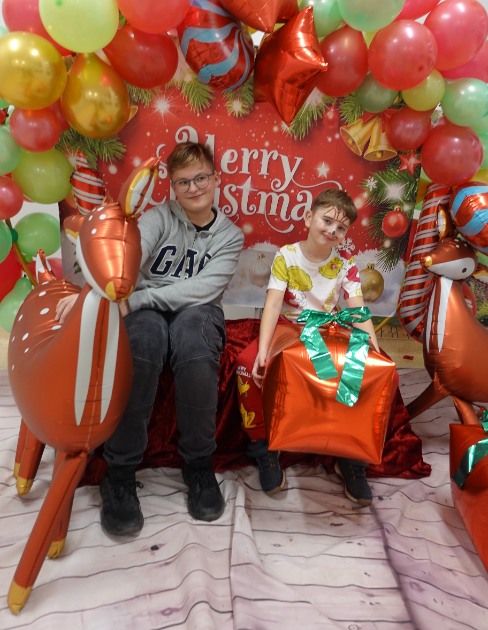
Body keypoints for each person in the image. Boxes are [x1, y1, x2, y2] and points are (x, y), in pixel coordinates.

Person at [56, 141, 244, 534]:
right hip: (144, 310)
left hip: (194, 309)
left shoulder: (230, 236)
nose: (193, 188)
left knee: (196, 346)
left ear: (216, 179)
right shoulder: (159, 218)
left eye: (200, 178)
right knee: (142, 345)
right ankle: (120, 472)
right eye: (183, 181)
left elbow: (204, 289)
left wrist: (139, 298)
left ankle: (199, 465)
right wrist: (91, 296)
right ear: (172, 187)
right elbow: (124, 261)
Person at [236, 188, 380, 506]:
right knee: (248, 364)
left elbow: (358, 309)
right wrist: (263, 350)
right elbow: (273, 304)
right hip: (290, 327)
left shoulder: (345, 262)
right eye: (326, 221)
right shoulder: (286, 255)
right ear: (308, 218)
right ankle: (263, 448)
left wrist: (375, 349)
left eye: (340, 227)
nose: (332, 230)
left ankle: (350, 457)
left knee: (362, 369)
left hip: (328, 329)